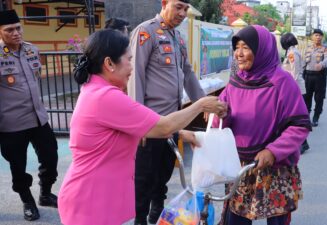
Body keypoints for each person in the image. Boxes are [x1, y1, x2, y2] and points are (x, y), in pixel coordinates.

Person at [57, 29, 226, 225]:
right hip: (91, 202)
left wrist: (181, 134)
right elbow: (163, 126)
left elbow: (137, 128)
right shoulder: (106, 97)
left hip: (99, 196)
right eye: (129, 59)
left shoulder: (97, 91)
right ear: (109, 63)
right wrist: (201, 105)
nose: (132, 66)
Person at [214, 25, 311, 225]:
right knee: (236, 220)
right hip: (240, 167)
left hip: (275, 167)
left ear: (262, 50)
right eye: (237, 47)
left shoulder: (282, 82)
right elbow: (220, 125)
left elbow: (299, 125)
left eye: (246, 48)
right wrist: (221, 115)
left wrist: (273, 151)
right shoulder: (234, 82)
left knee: (276, 220)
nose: (239, 54)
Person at [127, 1, 207, 224]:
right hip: (149, 126)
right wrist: (137, 123)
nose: (182, 13)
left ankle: (157, 215)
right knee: (143, 180)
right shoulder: (146, 32)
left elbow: (188, 73)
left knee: (163, 175)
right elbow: (136, 77)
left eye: (185, 9)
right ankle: (140, 220)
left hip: (172, 124)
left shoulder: (178, 37)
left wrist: (204, 102)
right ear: (164, 3)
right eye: (178, 7)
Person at [0, 10, 58, 221]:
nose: (15, 33)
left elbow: (35, 79)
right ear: (0, 32)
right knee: (19, 167)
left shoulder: (32, 50)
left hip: (38, 118)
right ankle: (27, 200)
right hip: (12, 124)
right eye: (9, 30)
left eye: (18, 28)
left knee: (51, 158)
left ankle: (45, 193)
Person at [280, 32, 310, 154]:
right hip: (293, 87)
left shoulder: (292, 53)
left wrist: (290, 89)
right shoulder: (291, 52)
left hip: (295, 88)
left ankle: (303, 143)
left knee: (295, 117)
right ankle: (303, 143)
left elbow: (295, 73)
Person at [303, 29, 327, 127]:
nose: (318, 37)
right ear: (312, 37)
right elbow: (304, 61)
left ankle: (316, 117)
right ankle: (306, 116)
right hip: (308, 76)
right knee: (307, 97)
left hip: (320, 77)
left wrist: (322, 64)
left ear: (322, 37)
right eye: (316, 35)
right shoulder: (307, 48)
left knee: (319, 98)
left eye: (320, 35)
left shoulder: (325, 49)